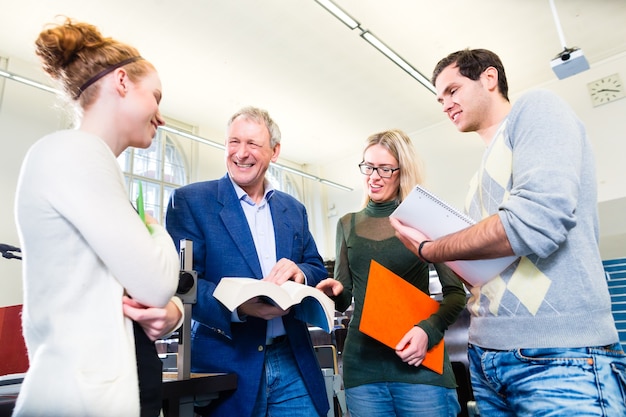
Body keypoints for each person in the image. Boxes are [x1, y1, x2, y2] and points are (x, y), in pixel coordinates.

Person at [390, 48, 626, 416]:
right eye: (439, 99)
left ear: (489, 78)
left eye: (452, 90)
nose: (445, 104)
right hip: (488, 356)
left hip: (558, 356)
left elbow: (534, 223)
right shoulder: (477, 180)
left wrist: (431, 249)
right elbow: (489, 267)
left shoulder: (537, 108)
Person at [14, 18, 183, 417]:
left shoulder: (95, 169)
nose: (161, 116)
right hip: (83, 399)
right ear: (122, 81)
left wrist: (171, 313)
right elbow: (156, 283)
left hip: (122, 387)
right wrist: (156, 229)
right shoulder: (75, 153)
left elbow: (140, 295)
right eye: (155, 97)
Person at [165, 106, 330, 417]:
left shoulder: (293, 209)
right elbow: (182, 282)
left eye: (253, 144)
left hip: (293, 360)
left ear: (274, 151)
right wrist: (239, 308)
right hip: (226, 360)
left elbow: (316, 267)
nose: (241, 153)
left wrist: (301, 272)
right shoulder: (190, 201)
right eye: (233, 142)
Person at [316, 129, 466, 417]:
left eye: (385, 169)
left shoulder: (425, 218)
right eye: (368, 167)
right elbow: (345, 298)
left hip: (420, 364)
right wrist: (333, 291)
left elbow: (456, 293)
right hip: (363, 368)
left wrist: (428, 331)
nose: (374, 176)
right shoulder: (348, 224)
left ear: (402, 171)